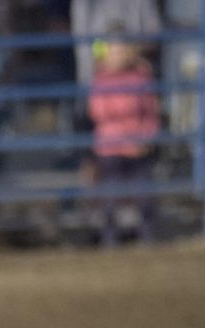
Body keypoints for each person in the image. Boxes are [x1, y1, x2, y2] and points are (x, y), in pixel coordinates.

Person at [87, 28, 162, 243]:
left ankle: (148, 236)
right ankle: (109, 237)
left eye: (122, 49)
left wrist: (146, 138)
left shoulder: (141, 78)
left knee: (145, 194)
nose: (118, 54)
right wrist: (125, 138)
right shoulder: (100, 80)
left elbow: (151, 111)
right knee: (109, 196)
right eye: (113, 50)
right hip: (111, 147)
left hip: (139, 146)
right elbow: (99, 113)